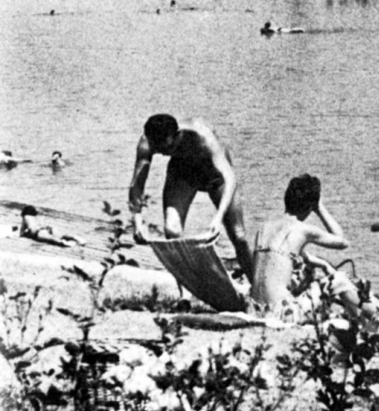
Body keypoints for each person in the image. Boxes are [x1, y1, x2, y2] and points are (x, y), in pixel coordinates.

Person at [127, 114, 255, 279]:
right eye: (158, 151)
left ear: (177, 135)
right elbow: (137, 184)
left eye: (168, 149)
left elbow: (230, 179)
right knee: (172, 231)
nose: (164, 154)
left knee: (239, 236)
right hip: (183, 174)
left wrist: (218, 218)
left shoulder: (202, 135)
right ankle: (185, 295)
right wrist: (137, 221)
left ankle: (257, 289)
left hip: (215, 177)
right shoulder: (147, 142)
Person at [250, 174, 361, 319]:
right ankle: (366, 317)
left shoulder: (264, 228)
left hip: (254, 308)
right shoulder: (302, 229)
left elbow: (280, 255)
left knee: (304, 275)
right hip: (282, 311)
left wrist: (323, 264)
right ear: (310, 206)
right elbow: (342, 242)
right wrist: (319, 208)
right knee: (338, 279)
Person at [20, 206, 85, 247]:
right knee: (61, 235)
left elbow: (21, 232)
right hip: (46, 228)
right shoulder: (35, 217)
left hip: (38, 232)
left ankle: (64, 243)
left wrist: (25, 234)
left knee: (51, 238)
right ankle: (75, 237)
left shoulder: (25, 217)